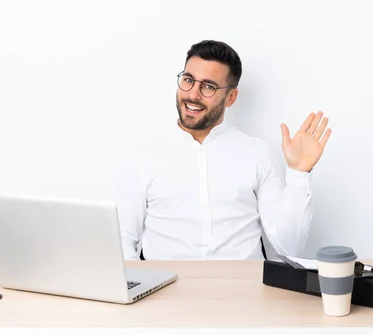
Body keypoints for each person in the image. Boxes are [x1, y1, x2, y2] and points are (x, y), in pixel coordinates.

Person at [117, 40, 331, 260]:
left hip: (245, 290)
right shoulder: (144, 158)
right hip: (168, 289)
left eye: (208, 86)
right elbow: (123, 239)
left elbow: (288, 249)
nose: (193, 94)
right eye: (188, 80)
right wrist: (141, 287)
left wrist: (298, 174)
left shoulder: (258, 154)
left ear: (231, 97)